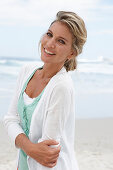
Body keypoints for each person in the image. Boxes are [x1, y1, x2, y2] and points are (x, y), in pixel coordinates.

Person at [3, 11, 87, 170]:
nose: (49, 44)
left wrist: (26, 145)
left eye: (61, 41)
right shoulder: (26, 71)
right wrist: (29, 148)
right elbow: (10, 119)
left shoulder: (61, 87)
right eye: (49, 34)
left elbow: (47, 155)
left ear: (72, 53)